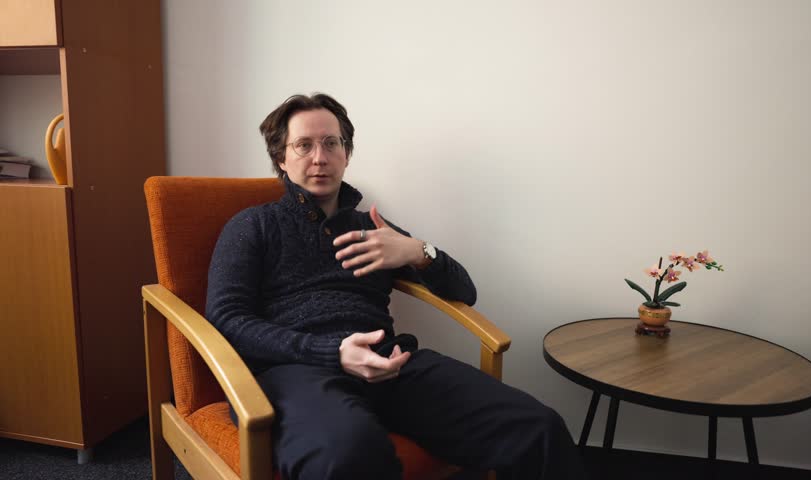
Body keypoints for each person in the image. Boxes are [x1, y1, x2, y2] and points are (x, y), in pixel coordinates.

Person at [206, 93, 586, 479]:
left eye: (331, 143)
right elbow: (226, 318)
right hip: (296, 372)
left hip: (392, 364)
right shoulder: (253, 225)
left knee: (539, 427)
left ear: (347, 154)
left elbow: (464, 291)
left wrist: (418, 251)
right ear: (281, 159)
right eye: (303, 145)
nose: (319, 157)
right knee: (349, 452)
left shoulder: (373, 227)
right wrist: (329, 351)